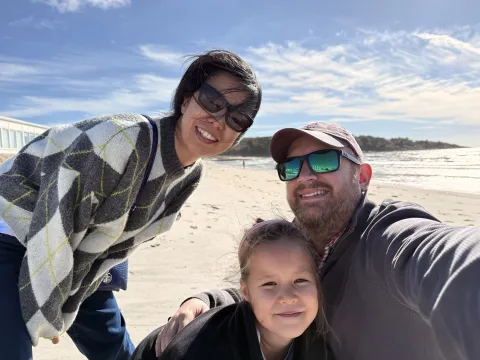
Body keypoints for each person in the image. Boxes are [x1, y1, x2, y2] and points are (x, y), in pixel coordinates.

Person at [0, 49, 262, 360]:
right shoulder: (121, 139)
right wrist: (48, 309)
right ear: (185, 99)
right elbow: (54, 225)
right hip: (16, 225)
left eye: (236, 118)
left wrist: (67, 301)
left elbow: (117, 244)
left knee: (114, 346)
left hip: (81, 248)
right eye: (212, 102)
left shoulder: (191, 175)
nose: (218, 121)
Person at [156, 122, 480, 360]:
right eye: (292, 166)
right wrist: (208, 299)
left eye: (325, 160)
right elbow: (264, 280)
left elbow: (449, 259)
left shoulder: (386, 237)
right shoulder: (300, 238)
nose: (306, 175)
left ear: (363, 177)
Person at [131, 219, 333, 360]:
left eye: (300, 280)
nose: (288, 297)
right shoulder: (201, 349)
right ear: (246, 292)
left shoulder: (318, 346)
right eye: (269, 284)